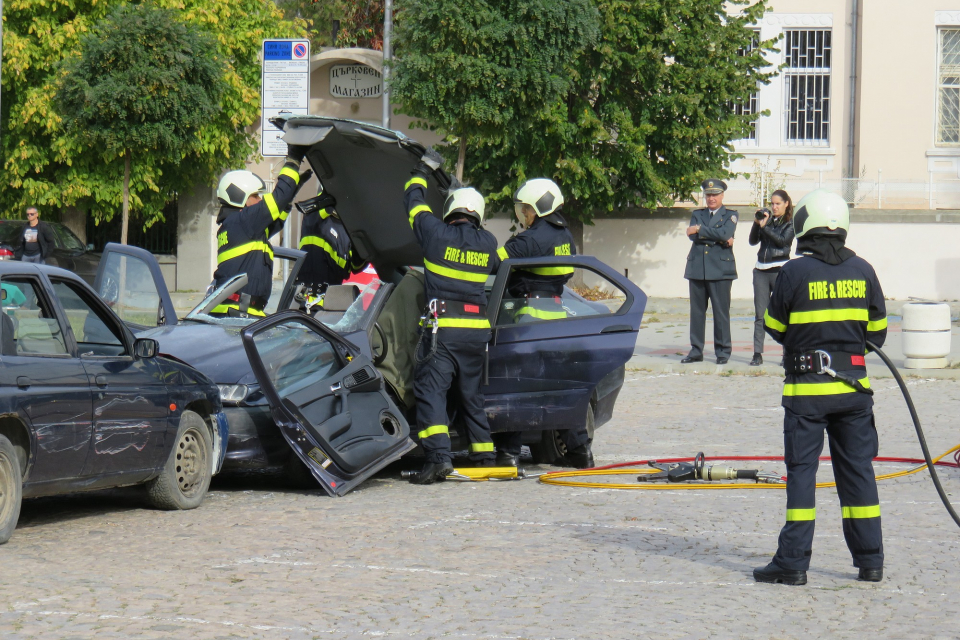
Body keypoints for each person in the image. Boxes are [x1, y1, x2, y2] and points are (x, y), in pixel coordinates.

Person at [754, 189, 887, 586]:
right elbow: (877, 334)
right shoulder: (864, 270)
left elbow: (774, 327)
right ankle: (871, 561)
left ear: (805, 225)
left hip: (806, 395)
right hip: (853, 393)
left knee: (802, 475)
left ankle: (792, 563)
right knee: (858, 472)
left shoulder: (794, 272)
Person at [404, 148, 500, 484]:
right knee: (471, 394)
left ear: (450, 211)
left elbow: (413, 201)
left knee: (431, 391)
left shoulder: (434, 233)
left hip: (442, 330)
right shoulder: (489, 242)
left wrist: (421, 170)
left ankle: (438, 459)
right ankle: (485, 454)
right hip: (476, 334)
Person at [491, 178, 594, 469]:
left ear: (537, 207)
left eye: (525, 210)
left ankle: (508, 453)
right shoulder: (565, 236)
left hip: (529, 316)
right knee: (558, 389)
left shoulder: (530, 239)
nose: (524, 215)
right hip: (557, 316)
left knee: (518, 386)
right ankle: (579, 451)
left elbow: (491, 263)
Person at [210, 144, 310, 317]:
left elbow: (276, 222)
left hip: (240, 312)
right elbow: (277, 199)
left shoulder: (238, 224)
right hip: (237, 314)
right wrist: (293, 159)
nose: (260, 199)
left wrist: (290, 194)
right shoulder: (243, 220)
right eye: (255, 196)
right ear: (239, 196)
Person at [682, 179, 738, 365]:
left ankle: (723, 352)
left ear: (722, 195)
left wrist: (701, 230)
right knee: (697, 313)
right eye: (708, 195)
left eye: (715, 195)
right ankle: (696, 350)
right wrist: (717, 235)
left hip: (721, 270)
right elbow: (693, 237)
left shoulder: (731, 215)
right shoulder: (698, 214)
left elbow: (724, 234)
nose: (711, 198)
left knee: (721, 313)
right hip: (698, 268)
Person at [748, 189, 795, 366]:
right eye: (772, 203)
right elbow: (753, 241)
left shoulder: (790, 223)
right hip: (761, 270)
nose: (774, 207)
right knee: (760, 315)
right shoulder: (766, 220)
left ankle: (787, 353)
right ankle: (757, 354)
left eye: (778, 204)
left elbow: (782, 241)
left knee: (783, 314)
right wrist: (756, 223)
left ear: (786, 204)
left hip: (780, 269)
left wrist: (765, 227)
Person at [295, 191, 365, 297]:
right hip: (306, 302)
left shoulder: (348, 232)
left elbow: (356, 265)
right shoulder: (315, 219)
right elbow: (315, 213)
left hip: (330, 305)